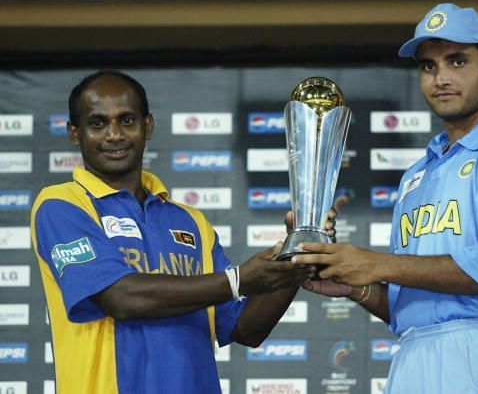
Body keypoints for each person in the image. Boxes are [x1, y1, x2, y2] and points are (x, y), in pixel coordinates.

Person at [294, 3, 478, 393]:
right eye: (428, 66)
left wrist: (373, 263)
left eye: (457, 61)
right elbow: (405, 307)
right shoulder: (419, 173)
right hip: (414, 350)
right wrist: (355, 285)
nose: (441, 78)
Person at [31, 71, 334, 394]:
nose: (114, 134)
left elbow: (246, 328)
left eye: (127, 120)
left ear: (148, 126)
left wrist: (299, 253)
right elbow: (121, 297)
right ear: (74, 134)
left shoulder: (191, 223)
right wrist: (237, 280)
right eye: (97, 123)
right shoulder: (62, 204)